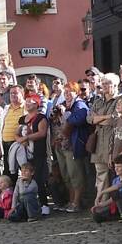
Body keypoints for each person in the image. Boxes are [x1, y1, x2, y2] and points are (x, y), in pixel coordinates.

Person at [55, 83, 89, 213]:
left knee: (75, 174)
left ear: (76, 93)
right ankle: (71, 200)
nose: (67, 95)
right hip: (62, 144)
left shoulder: (79, 105)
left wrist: (65, 115)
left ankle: (77, 202)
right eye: (66, 92)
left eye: (70, 92)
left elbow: (80, 119)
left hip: (72, 145)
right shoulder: (64, 105)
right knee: (66, 175)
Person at [16, 90, 49, 215]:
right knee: (25, 177)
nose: (28, 103)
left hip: (38, 152)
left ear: (37, 104)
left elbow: (42, 133)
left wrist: (27, 138)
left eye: (31, 102)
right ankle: (26, 204)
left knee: (38, 178)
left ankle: (44, 204)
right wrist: (20, 139)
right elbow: (17, 132)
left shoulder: (41, 118)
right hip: (24, 152)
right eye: (27, 101)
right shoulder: (22, 119)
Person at [89, 74, 119, 202]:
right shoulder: (98, 101)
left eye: (108, 83)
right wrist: (105, 118)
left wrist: (99, 119)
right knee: (100, 175)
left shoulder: (119, 100)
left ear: (115, 85)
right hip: (98, 143)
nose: (104, 86)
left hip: (112, 142)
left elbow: (115, 119)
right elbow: (90, 119)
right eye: (103, 83)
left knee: (116, 174)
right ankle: (101, 204)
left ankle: (114, 205)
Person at [91, 155, 122, 223]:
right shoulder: (115, 180)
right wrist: (101, 205)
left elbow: (117, 187)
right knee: (97, 216)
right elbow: (113, 198)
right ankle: (116, 216)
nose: (116, 169)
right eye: (115, 167)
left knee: (116, 192)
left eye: (119, 167)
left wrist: (102, 192)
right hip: (117, 205)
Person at [0, 84, 27, 182]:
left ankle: (25, 195)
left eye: (16, 93)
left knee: (24, 171)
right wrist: (0, 145)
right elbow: (0, 128)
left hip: (20, 145)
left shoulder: (26, 107)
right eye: (11, 93)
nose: (13, 95)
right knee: (9, 173)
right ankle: (11, 196)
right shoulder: (6, 108)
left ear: (22, 94)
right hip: (6, 145)